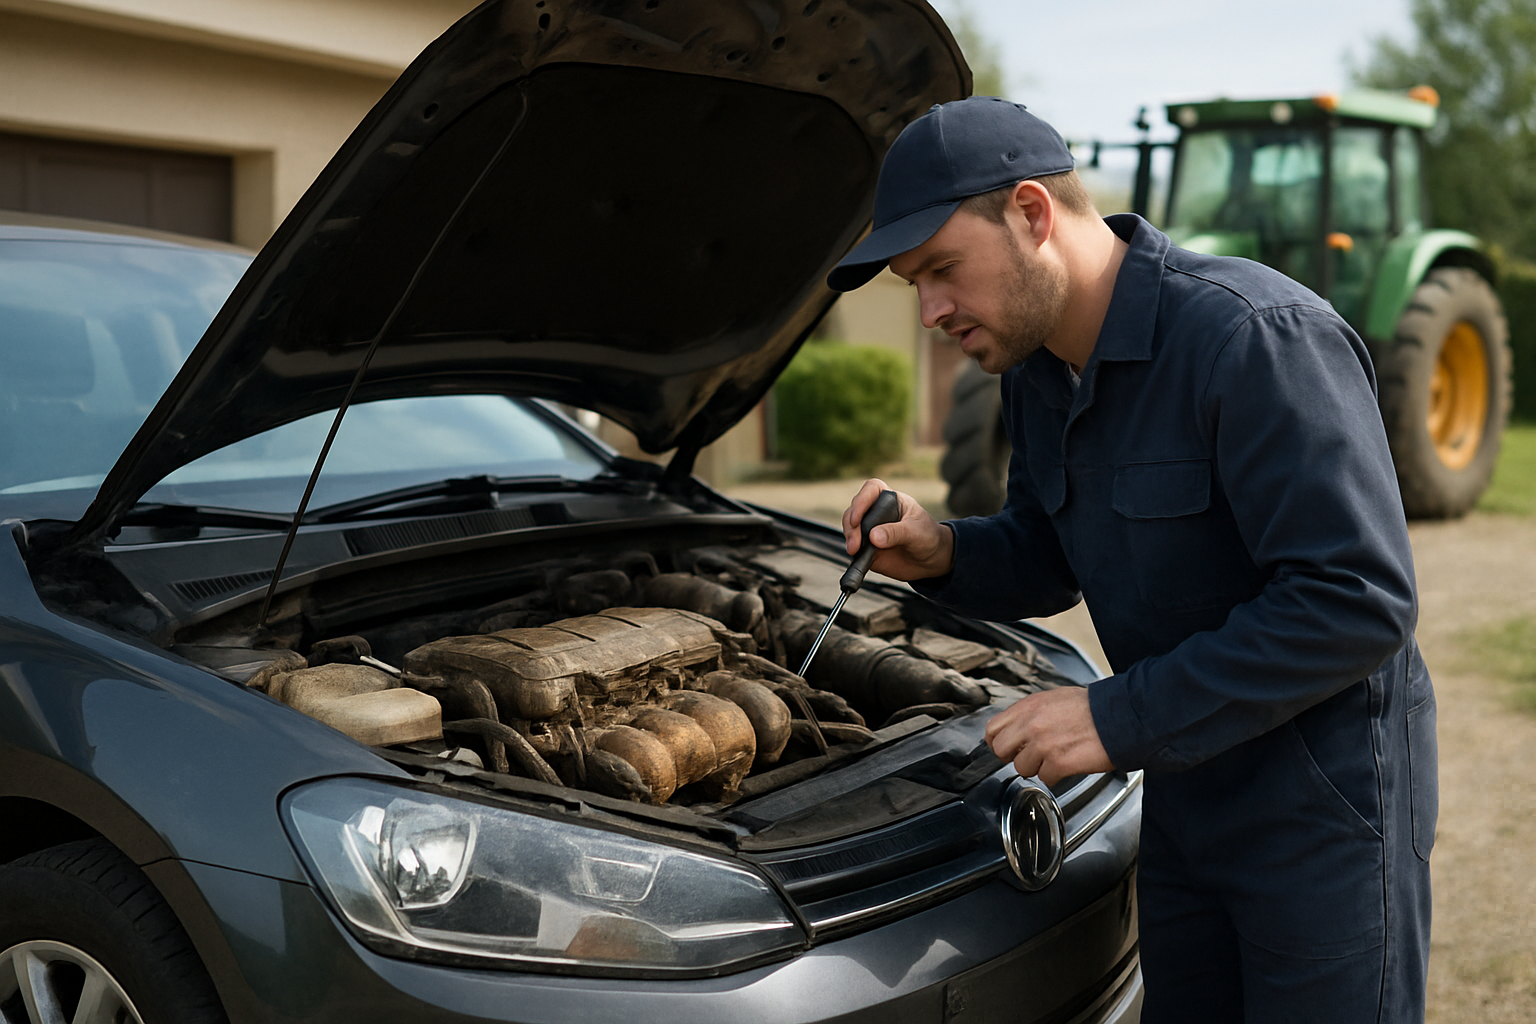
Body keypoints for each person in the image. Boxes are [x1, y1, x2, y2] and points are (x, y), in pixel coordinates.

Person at [827, 96, 1436, 1023]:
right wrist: (943, 551)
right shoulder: (1037, 371)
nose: (930, 312)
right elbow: (1049, 551)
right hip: (1186, 789)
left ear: (1032, 213)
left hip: (1322, 805)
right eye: (915, 284)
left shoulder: (1253, 338)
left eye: (942, 270)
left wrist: (1113, 716)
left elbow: (1357, 598)